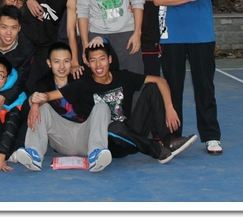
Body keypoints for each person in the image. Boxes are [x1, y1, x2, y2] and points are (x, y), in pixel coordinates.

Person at [31, 42, 197, 165]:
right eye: (93, 60)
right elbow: (48, 95)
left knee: (152, 88)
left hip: (131, 133)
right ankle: (158, 150)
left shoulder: (123, 77)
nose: (98, 65)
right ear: (88, 63)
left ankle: (168, 140)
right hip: (109, 143)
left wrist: (169, 108)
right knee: (114, 127)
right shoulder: (83, 85)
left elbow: (160, 81)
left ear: (109, 59)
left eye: (102, 59)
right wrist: (35, 104)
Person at [150, 0, 222, 155]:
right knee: (173, 89)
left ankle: (211, 136)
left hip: (201, 34)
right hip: (172, 35)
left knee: (205, 86)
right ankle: (173, 136)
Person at [14, 43, 112, 172]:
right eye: (57, 62)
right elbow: (25, 114)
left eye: (66, 61)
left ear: (71, 62)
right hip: (61, 138)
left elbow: (110, 67)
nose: (61, 66)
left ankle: (96, 154)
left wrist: (101, 40)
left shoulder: (81, 77)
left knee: (102, 106)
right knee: (42, 107)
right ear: (49, 63)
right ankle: (34, 154)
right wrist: (33, 102)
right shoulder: (43, 83)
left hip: (86, 136)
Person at [22, 0, 81, 91]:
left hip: (47, 43)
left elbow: (71, 32)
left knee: (39, 86)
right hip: (26, 38)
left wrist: (74, 61)